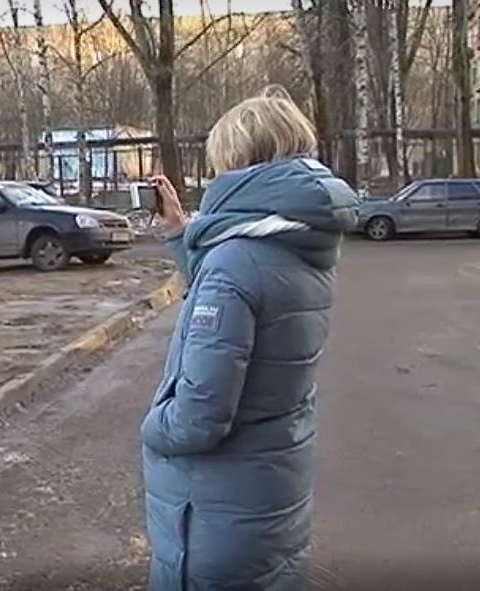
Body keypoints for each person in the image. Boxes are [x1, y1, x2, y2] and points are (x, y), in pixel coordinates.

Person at [142, 85, 358, 591]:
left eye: (220, 162)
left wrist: (153, 429)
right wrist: (181, 234)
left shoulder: (234, 263)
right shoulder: (301, 241)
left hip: (216, 518)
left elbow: (198, 418)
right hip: (269, 494)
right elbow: (241, 285)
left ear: (238, 163)